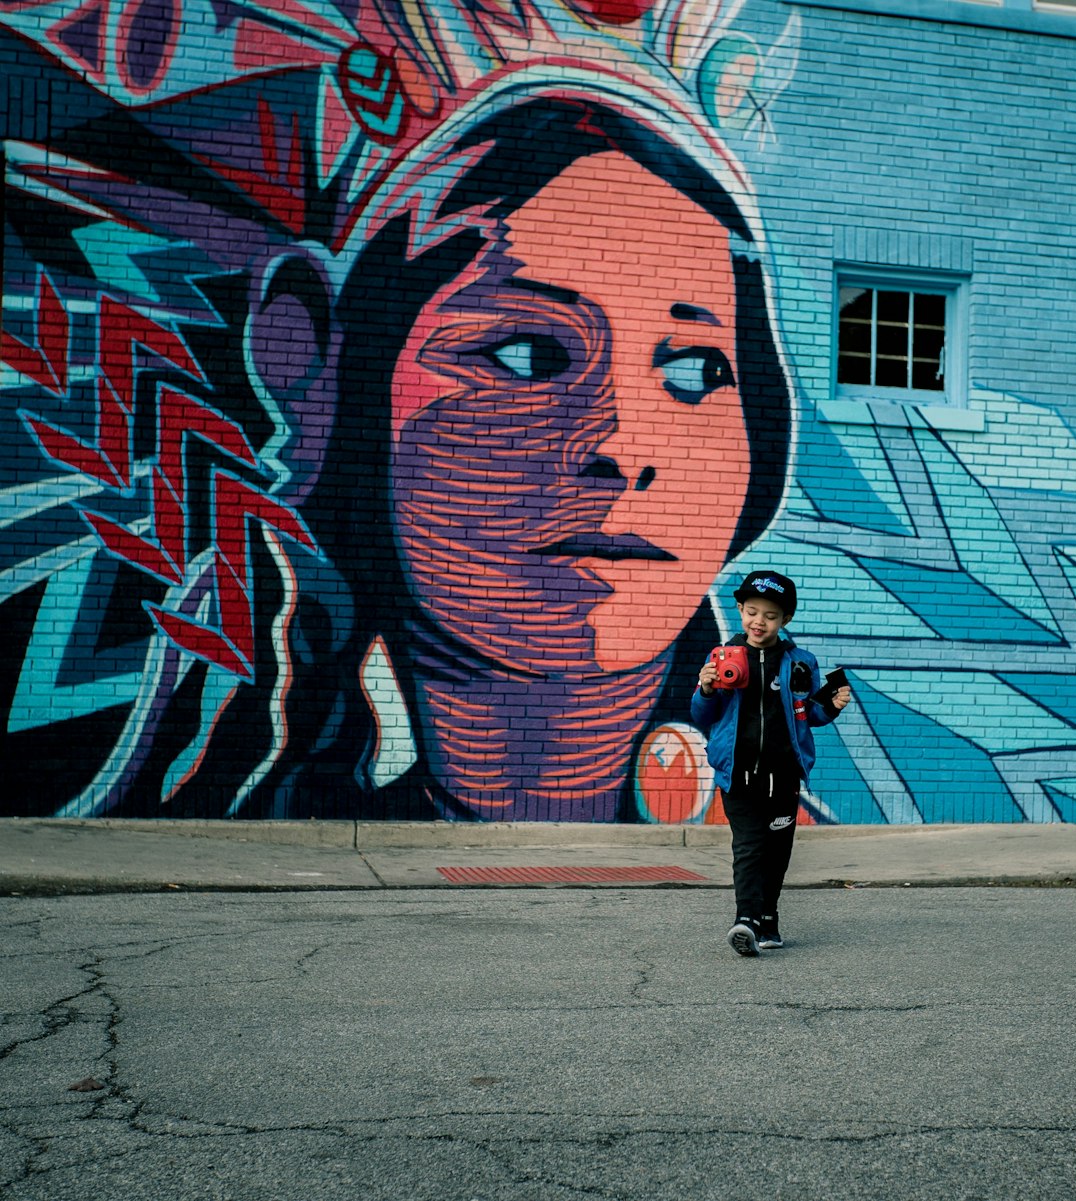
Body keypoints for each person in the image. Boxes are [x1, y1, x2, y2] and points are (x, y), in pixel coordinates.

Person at [158, 92, 794, 821]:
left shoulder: (760, 833)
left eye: (694, 372)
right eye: (524, 355)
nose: (622, 447)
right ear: (321, 372)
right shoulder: (248, 804)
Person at [690, 570, 853, 956]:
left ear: (785, 620)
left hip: (783, 777)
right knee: (749, 848)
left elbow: (807, 715)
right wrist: (707, 687)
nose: (758, 621)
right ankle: (745, 919)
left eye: (770, 615)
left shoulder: (800, 663)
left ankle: (768, 918)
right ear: (740, 611)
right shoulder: (722, 657)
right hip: (739, 775)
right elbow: (702, 715)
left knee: (777, 853)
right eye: (751, 611)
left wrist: (832, 706)